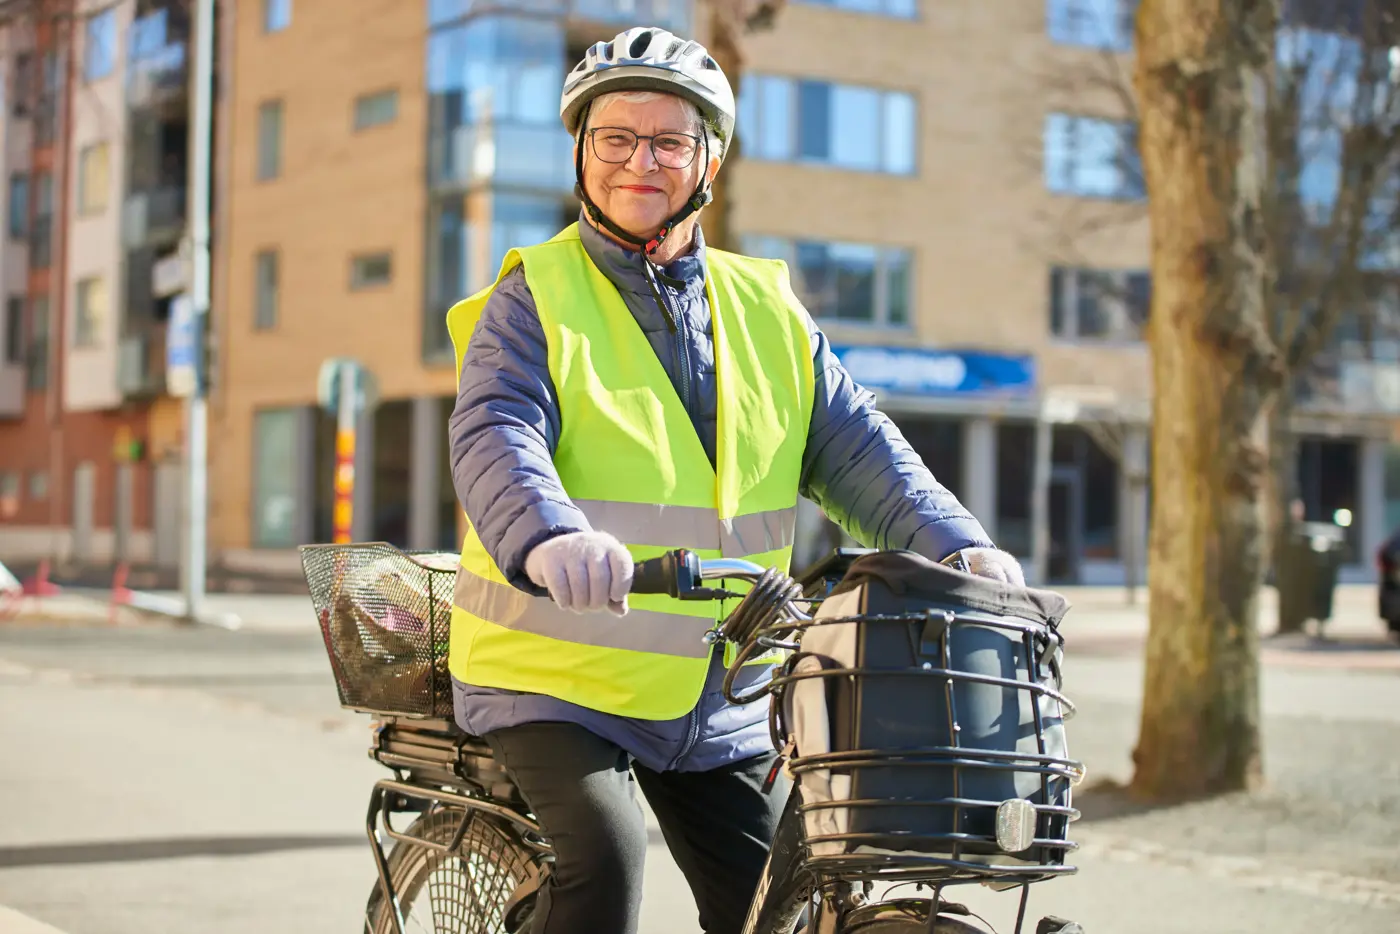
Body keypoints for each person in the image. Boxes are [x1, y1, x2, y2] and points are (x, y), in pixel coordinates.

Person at [444, 26, 1024, 934]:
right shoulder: (534, 297)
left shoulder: (767, 306)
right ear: (581, 153)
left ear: (710, 158)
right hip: (554, 669)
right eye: (615, 138)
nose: (642, 160)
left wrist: (963, 548)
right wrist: (550, 536)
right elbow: (497, 429)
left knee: (780, 901)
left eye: (670, 140)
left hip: (719, 685)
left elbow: (858, 447)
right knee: (604, 863)